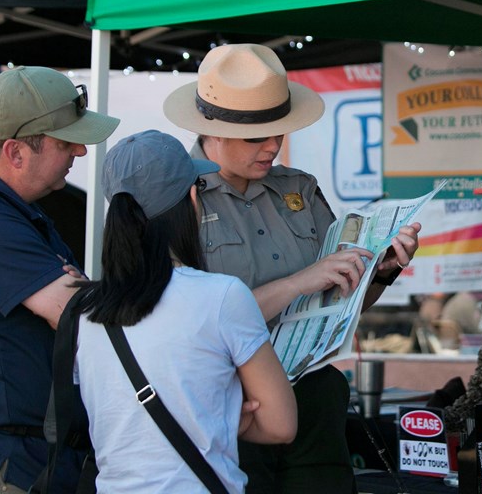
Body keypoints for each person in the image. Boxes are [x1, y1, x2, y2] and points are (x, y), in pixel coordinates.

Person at [164, 43, 421, 494]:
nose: (272, 146)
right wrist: (297, 282)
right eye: (256, 137)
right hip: (229, 405)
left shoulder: (298, 189)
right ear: (214, 131)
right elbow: (180, 322)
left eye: (279, 132)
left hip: (313, 398)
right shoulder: (175, 199)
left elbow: (337, 299)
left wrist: (379, 270)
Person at [0, 66, 119, 493]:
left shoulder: (5, 211)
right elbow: (84, 317)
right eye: (66, 142)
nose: (79, 153)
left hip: (30, 462)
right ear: (15, 152)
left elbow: (81, 306)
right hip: (9, 468)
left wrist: (85, 293)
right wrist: (87, 296)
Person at [72, 130, 297, 493]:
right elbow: (281, 424)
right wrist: (224, 417)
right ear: (192, 199)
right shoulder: (221, 296)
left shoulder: (85, 310)